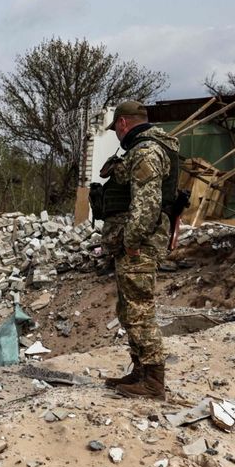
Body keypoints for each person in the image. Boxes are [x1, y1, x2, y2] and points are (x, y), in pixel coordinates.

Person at [99, 100, 179, 399]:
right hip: (136, 243)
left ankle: (153, 382)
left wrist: (131, 242)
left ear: (122, 123)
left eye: (115, 129)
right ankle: (141, 371)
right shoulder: (147, 148)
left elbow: (147, 205)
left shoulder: (146, 150)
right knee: (128, 309)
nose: (116, 135)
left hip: (139, 245)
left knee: (140, 310)